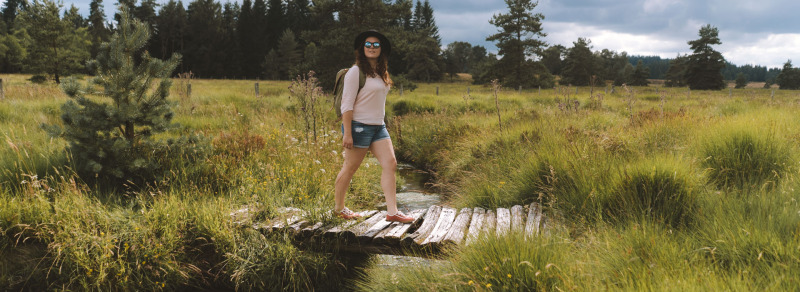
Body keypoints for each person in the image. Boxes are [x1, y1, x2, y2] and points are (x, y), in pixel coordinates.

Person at [334, 30, 414, 224]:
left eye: (376, 44)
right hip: (359, 127)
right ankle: (339, 209)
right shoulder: (355, 71)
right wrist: (348, 133)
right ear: (362, 48)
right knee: (350, 168)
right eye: (368, 44)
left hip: (379, 127)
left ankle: (392, 212)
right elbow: (346, 104)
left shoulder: (380, 71)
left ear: (381, 49)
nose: (371, 47)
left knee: (391, 164)